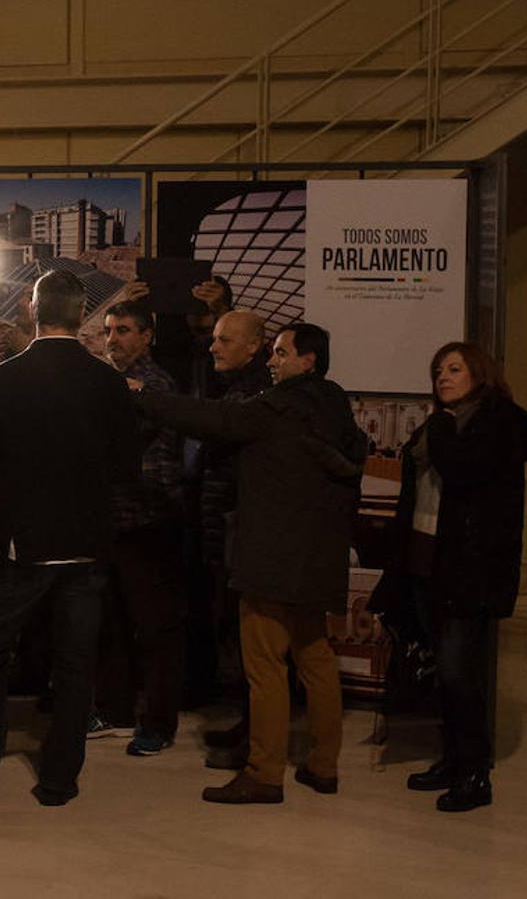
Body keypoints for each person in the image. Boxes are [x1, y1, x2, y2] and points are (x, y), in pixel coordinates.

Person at [138, 322, 366, 804]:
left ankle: (264, 773)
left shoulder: (277, 408)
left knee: (265, 666)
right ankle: (323, 764)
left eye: (281, 353)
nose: (272, 361)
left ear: (309, 361)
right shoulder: (335, 411)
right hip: (317, 559)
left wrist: (142, 395)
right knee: (316, 659)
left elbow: (212, 419)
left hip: (271, 557)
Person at [0, 270, 139, 808]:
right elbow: (128, 464)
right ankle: (59, 781)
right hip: (87, 542)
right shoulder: (107, 382)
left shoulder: (6, 378)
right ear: (84, 315)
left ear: (34, 311)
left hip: (22, 542)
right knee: (76, 665)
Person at [372, 342, 527, 812]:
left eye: (454, 369)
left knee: (457, 671)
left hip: (471, 570)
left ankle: (475, 772)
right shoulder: (439, 425)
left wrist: (442, 430)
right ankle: (452, 758)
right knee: (443, 675)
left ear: (479, 374)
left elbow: (461, 469)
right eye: (437, 370)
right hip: (427, 562)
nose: (443, 377)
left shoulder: (496, 423)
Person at [91, 300, 186, 758]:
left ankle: (159, 722)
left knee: (154, 629)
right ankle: (116, 710)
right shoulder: (114, 384)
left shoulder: (156, 385)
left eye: (124, 330)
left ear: (147, 336)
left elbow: (127, 437)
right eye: (109, 329)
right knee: (114, 623)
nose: (113, 339)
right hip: (115, 519)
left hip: (149, 520)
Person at [197, 311, 271, 769]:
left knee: (249, 641)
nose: (213, 347)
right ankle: (250, 730)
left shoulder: (251, 399)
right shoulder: (238, 391)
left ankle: (257, 743)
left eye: (224, 340)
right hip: (225, 528)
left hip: (238, 532)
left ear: (253, 347)